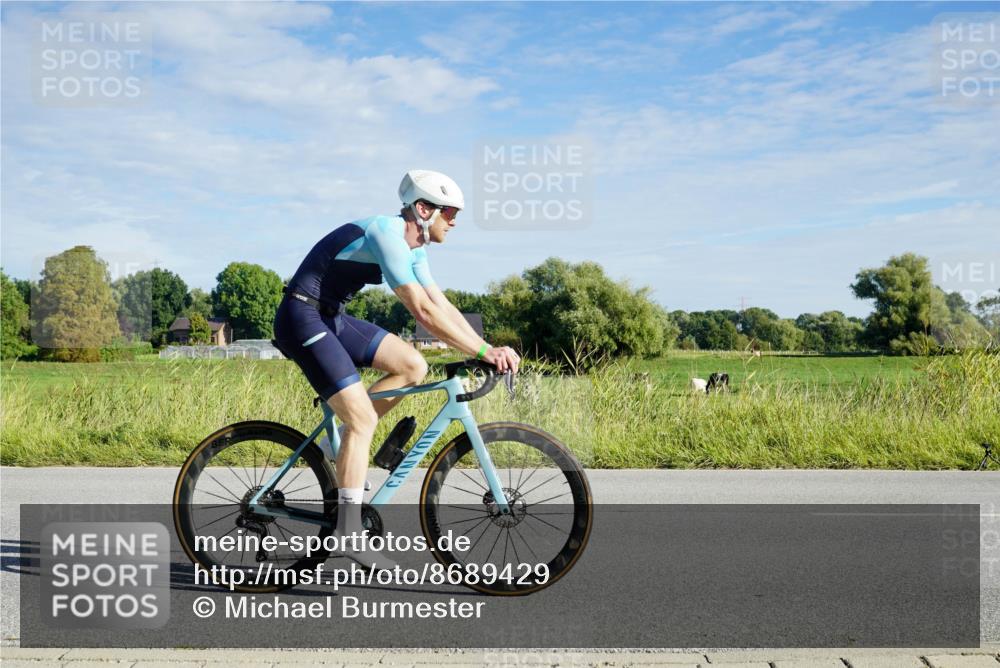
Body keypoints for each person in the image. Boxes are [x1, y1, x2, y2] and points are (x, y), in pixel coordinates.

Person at [272, 169, 520, 569]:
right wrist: (484, 352)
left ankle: (338, 445)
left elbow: (440, 305)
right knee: (363, 420)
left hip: (330, 317)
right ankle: (348, 531)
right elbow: (421, 312)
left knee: (412, 364)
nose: (454, 221)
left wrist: (485, 347)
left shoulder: (415, 248)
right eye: (450, 212)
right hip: (301, 316)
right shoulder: (386, 234)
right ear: (423, 209)